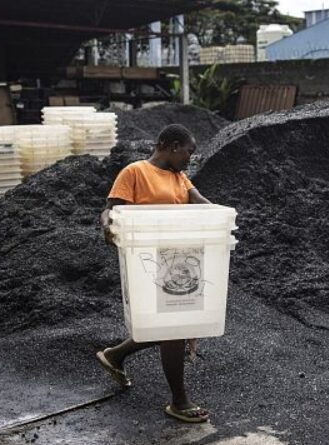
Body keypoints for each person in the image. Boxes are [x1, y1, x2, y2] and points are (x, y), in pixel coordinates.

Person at [96, 124, 213, 423]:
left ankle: (115, 355)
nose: (190, 159)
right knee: (173, 327)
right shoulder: (135, 172)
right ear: (173, 146)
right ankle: (179, 401)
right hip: (147, 261)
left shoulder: (180, 177)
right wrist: (108, 225)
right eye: (189, 152)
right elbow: (111, 209)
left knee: (169, 325)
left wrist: (221, 216)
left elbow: (200, 203)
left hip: (179, 259)